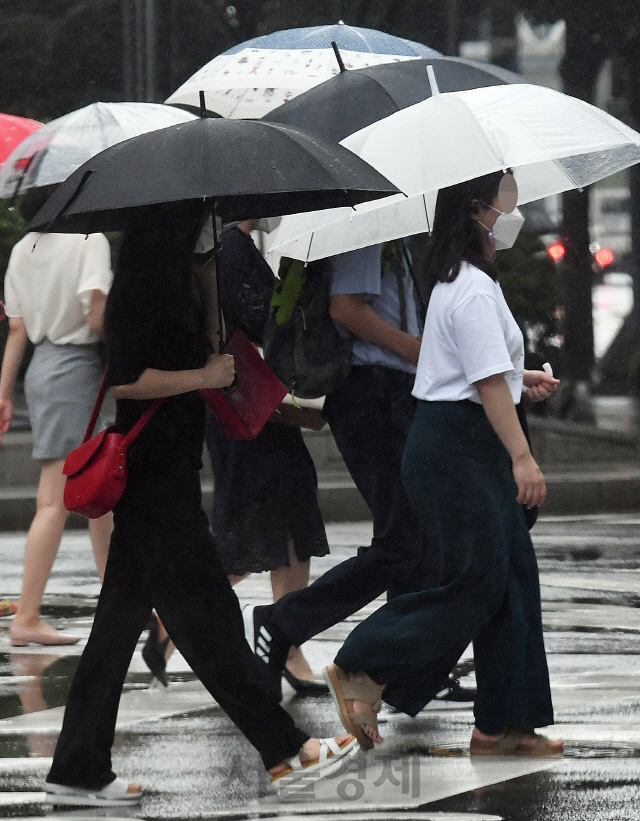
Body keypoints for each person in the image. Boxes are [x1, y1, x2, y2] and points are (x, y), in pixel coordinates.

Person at [44, 206, 356, 806]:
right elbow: (126, 382)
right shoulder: (135, 290)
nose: (208, 229)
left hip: (170, 473)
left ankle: (78, 767)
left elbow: (213, 358)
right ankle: (284, 747)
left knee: (114, 632)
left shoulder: (181, 281)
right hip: (153, 478)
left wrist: (210, 288)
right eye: (199, 220)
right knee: (208, 617)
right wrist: (202, 375)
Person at [321, 170, 564, 757]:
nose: (514, 211)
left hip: (459, 441)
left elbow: (476, 369)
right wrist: (524, 458)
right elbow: (480, 379)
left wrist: (518, 378)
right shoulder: (473, 288)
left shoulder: (463, 281)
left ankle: (505, 724)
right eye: (506, 199)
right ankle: (364, 665)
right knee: (476, 582)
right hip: (457, 449)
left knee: (511, 581)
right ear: (478, 211)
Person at [244, 238, 472, 701]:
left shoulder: (407, 233)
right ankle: (289, 622)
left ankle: (403, 673)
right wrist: (413, 348)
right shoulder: (368, 226)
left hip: (396, 392)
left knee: (418, 538)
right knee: (406, 538)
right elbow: (345, 308)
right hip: (371, 393)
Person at [142, 219, 331, 693]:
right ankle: (183, 616)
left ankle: (279, 639)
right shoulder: (230, 248)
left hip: (248, 401)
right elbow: (258, 320)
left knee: (282, 517)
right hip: (245, 402)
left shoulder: (227, 246)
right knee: (262, 519)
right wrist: (301, 291)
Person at [0, 186, 113, 647]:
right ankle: (26, 615)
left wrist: (4, 391)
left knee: (100, 494)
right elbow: (98, 318)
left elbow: (18, 329)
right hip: (78, 368)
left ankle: (116, 602)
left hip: (43, 368)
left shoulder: (25, 246)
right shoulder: (90, 240)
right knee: (58, 498)